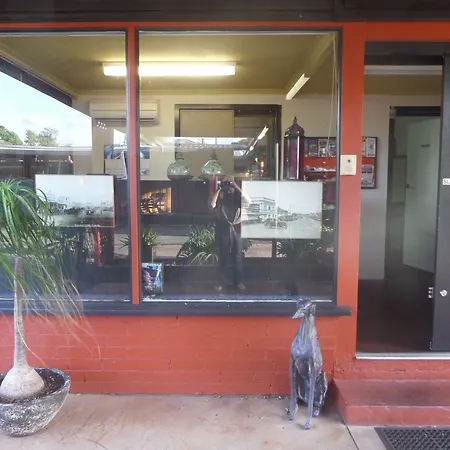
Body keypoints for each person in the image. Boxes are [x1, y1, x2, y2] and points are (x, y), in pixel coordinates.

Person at [209, 176, 250, 293]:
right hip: (223, 229)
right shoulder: (220, 198)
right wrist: (219, 189)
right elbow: (212, 205)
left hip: (237, 229)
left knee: (238, 256)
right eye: (227, 186)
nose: (229, 189)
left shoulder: (238, 199)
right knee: (224, 256)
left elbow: (248, 201)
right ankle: (221, 282)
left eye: (230, 186)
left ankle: (239, 282)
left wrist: (236, 187)